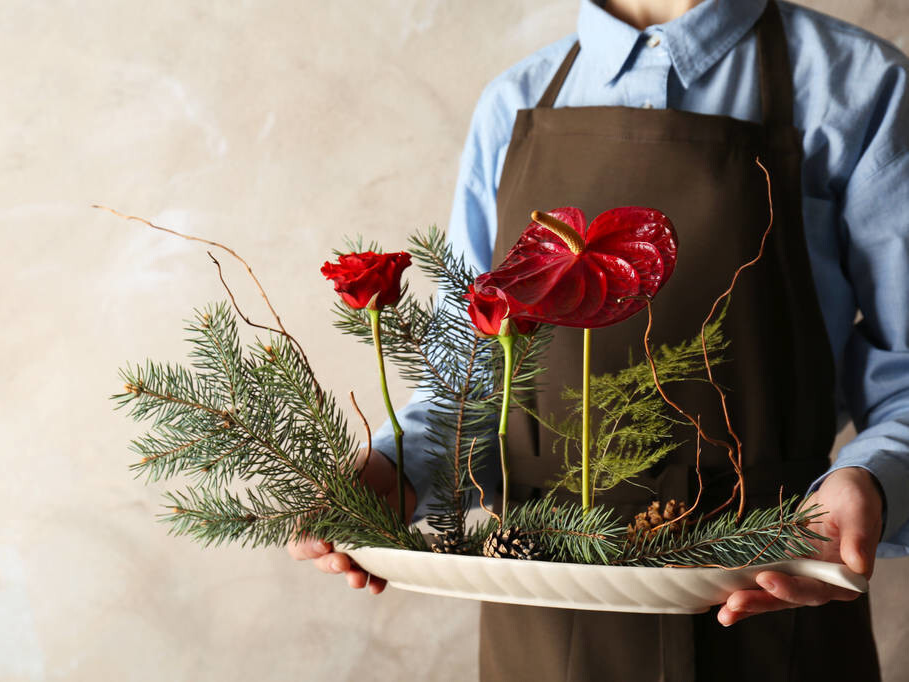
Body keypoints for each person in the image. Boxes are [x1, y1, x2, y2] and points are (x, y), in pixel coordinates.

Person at [290, 0, 909, 679]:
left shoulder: (859, 87)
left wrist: (869, 482)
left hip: (768, 590)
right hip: (542, 614)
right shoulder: (515, 103)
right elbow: (468, 386)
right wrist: (393, 473)